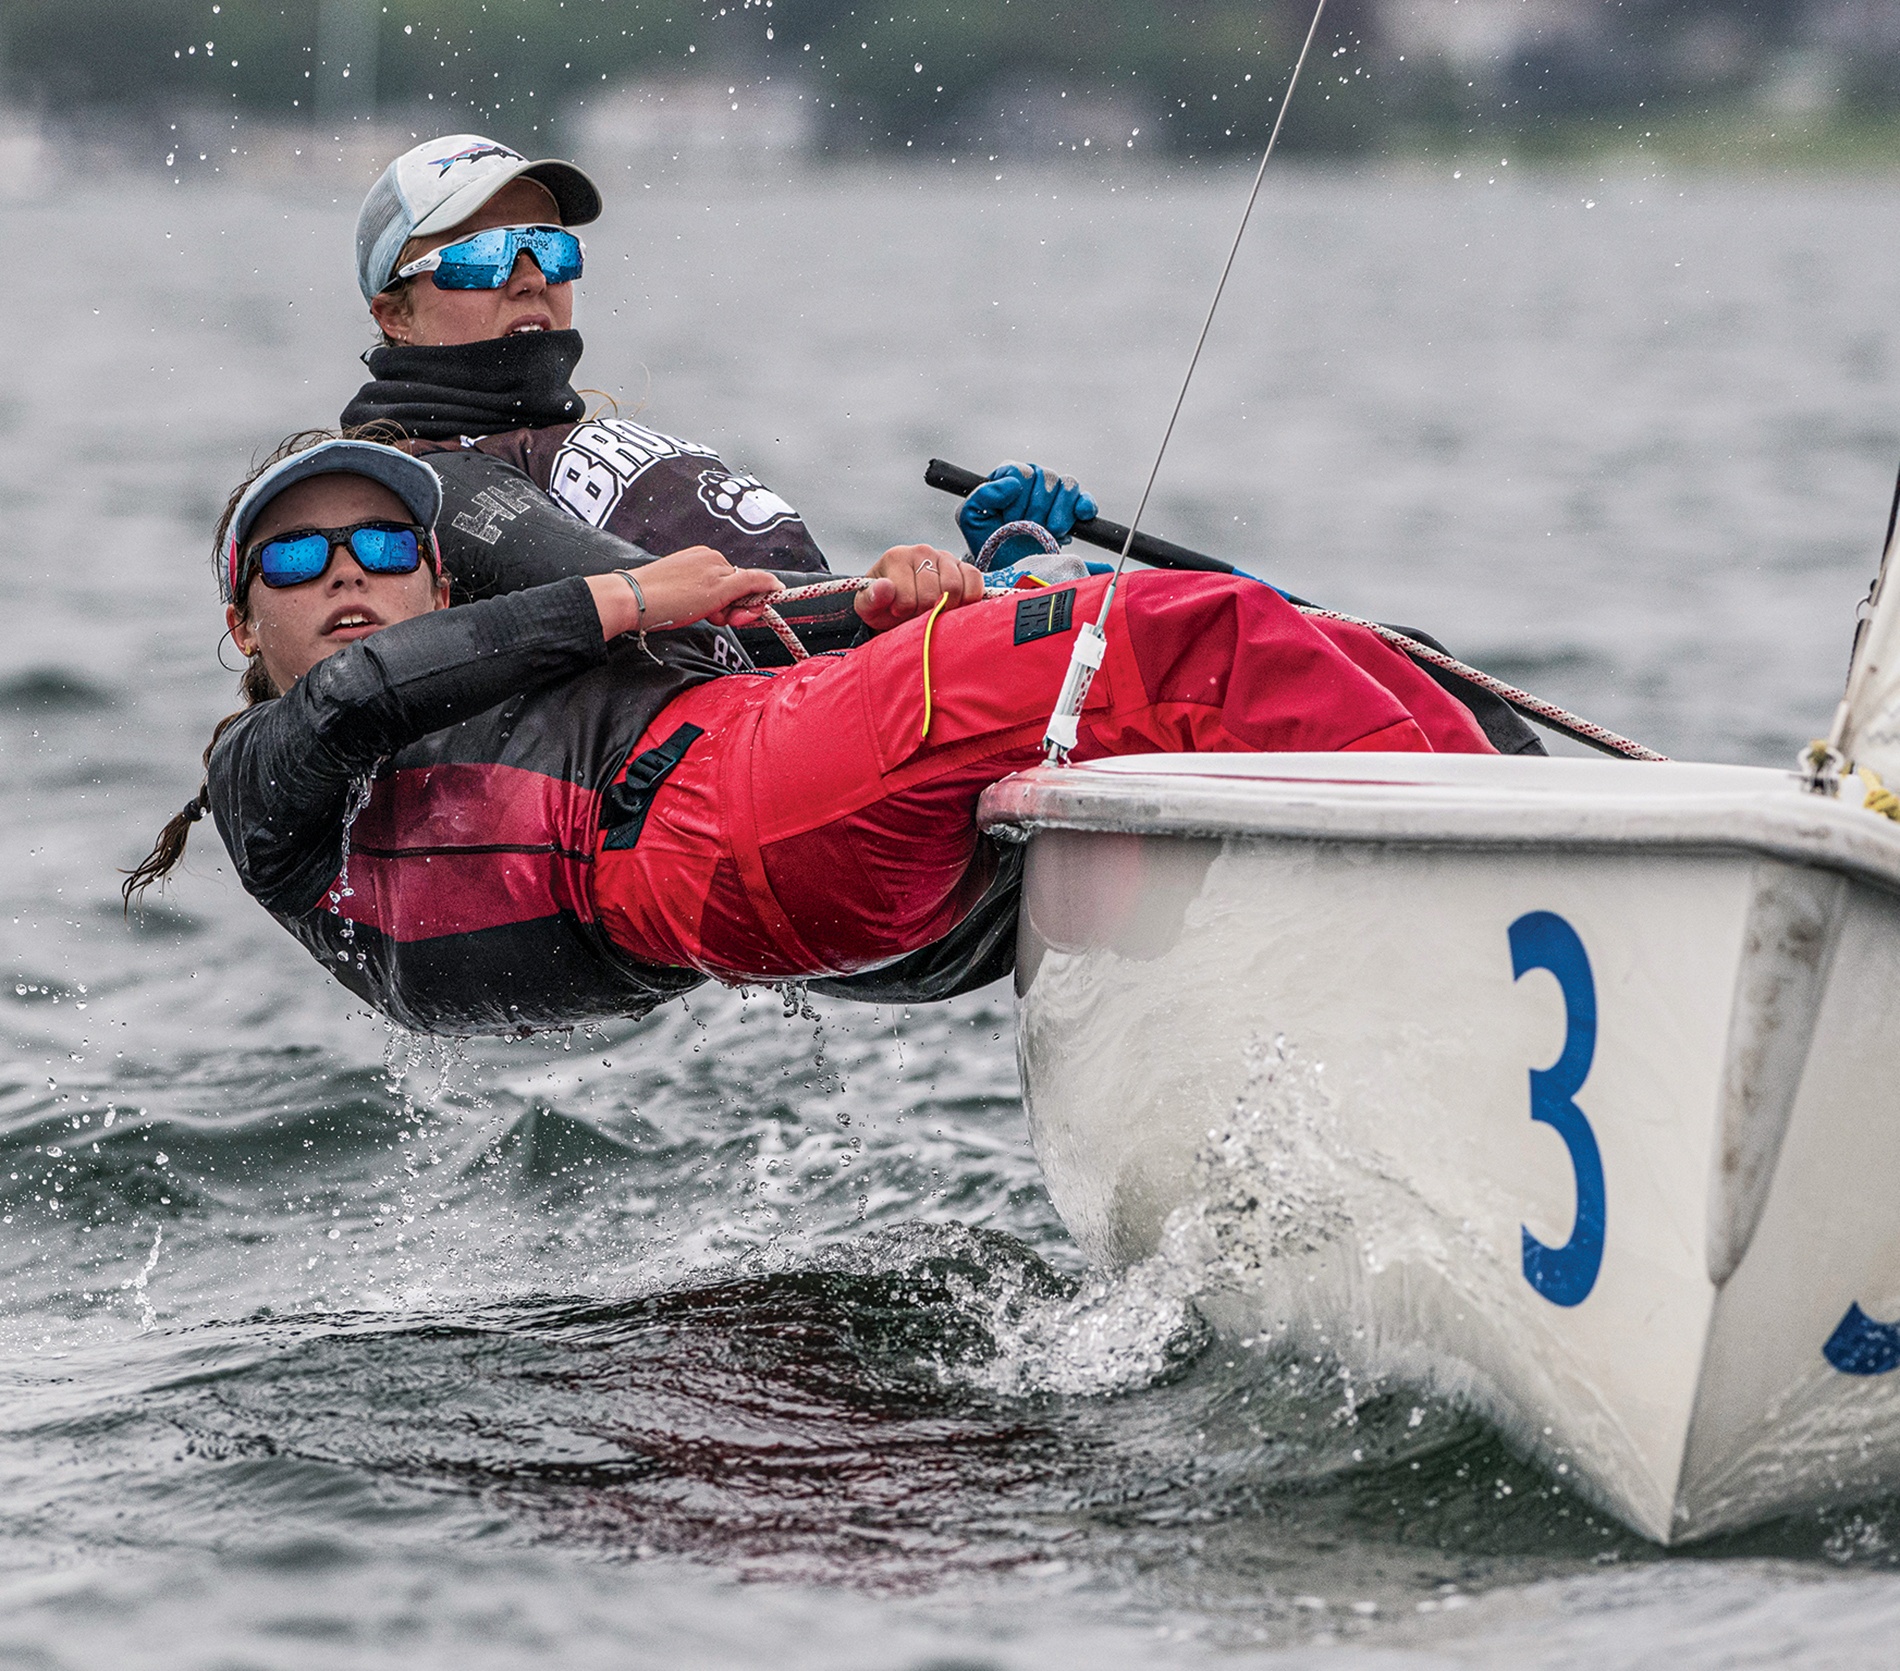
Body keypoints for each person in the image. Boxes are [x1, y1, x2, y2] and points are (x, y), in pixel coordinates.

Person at [126, 436, 1496, 1036]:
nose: (346, 576)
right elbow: (355, 702)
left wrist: (901, 611)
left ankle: (1483, 857)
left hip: (767, 812)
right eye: (298, 561)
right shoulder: (265, 782)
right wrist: (621, 593)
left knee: (1143, 632)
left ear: (435, 579)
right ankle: (1508, 892)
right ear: (241, 625)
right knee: (1175, 637)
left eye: (378, 544)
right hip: (712, 835)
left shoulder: (512, 682)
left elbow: (738, 661)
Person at [336, 131, 1101, 659]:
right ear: (393, 313)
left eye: (552, 248)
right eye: (482, 257)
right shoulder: (431, 478)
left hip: (840, 656)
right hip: (764, 717)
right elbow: (659, 597)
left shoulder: (572, 438)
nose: (531, 275)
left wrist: (974, 565)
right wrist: (909, 601)